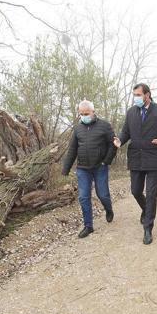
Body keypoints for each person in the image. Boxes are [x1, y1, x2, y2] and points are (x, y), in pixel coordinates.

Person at [113, 83, 157, 245]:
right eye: (134, 95)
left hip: (153, 156)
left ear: (147, 95)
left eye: (138, 95)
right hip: (136, 157)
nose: (136, 98)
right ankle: (146, 209)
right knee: (135, 190)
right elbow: (126, 131)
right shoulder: (131, 112)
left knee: (152, 193)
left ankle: (148, 227)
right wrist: (120, 140)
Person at [62, 100, 117, 238]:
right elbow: (72, 149)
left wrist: (106, 161)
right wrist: (66, 168)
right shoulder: (78, 129)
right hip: (83, 169)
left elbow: (114, 144)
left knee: (102, 194)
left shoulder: (104, 126)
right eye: (81, 114)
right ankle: (88, 226)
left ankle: (108, 209)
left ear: (93, 112)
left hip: (100, 167)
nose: (84, 116)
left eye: (86, 113)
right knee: (83, 197)